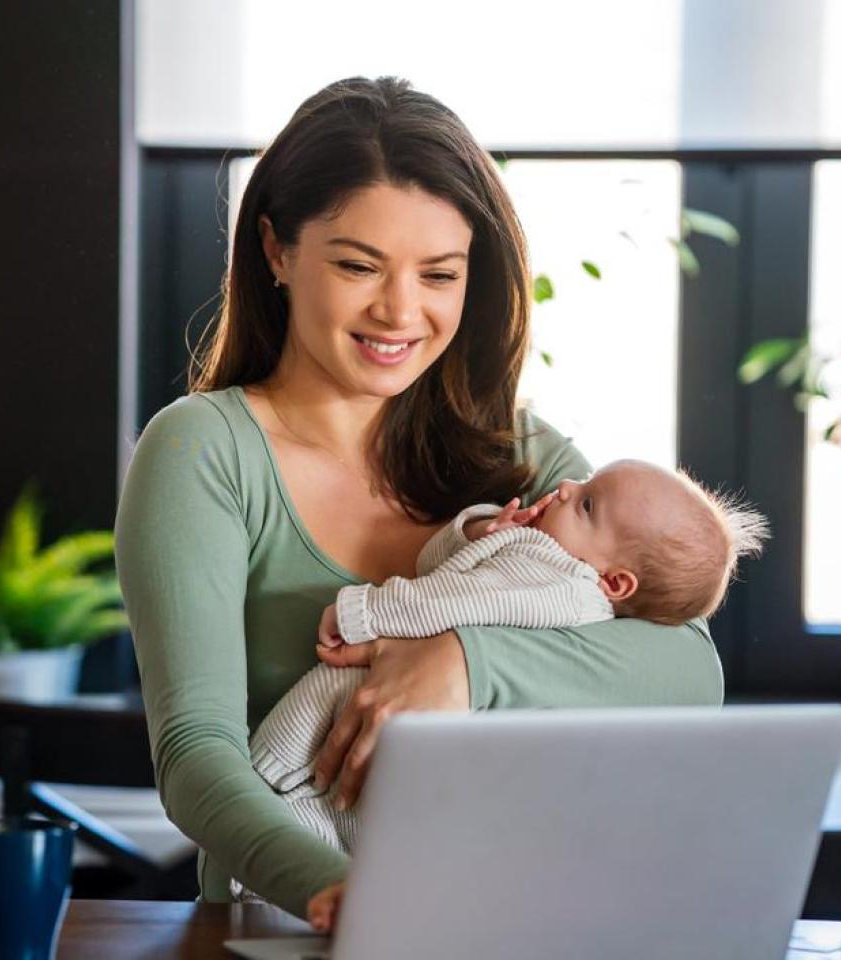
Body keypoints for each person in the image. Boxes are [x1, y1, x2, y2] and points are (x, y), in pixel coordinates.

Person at [112, 75, 726, 929]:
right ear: (277, 251)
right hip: (293, 925)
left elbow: (691, 674)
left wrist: (463, 664)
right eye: (358, 265)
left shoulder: (524, 457)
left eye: (439, 274)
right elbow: (195, 757)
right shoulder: (202, 452)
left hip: (502, 921)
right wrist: (341, 895)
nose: (400, 310)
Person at [237, 460, 770, 876]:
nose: (566, 486)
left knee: (297, 761)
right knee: (329, 813)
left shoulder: (558, 584)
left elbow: (446, 600)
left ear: (614, 583)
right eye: (583, 484)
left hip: (385, 709)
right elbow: (445, 571)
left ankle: (257, 795)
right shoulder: (553, 557)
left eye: (587, 503)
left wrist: (362, 612)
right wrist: (481, 533)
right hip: (419, 756)